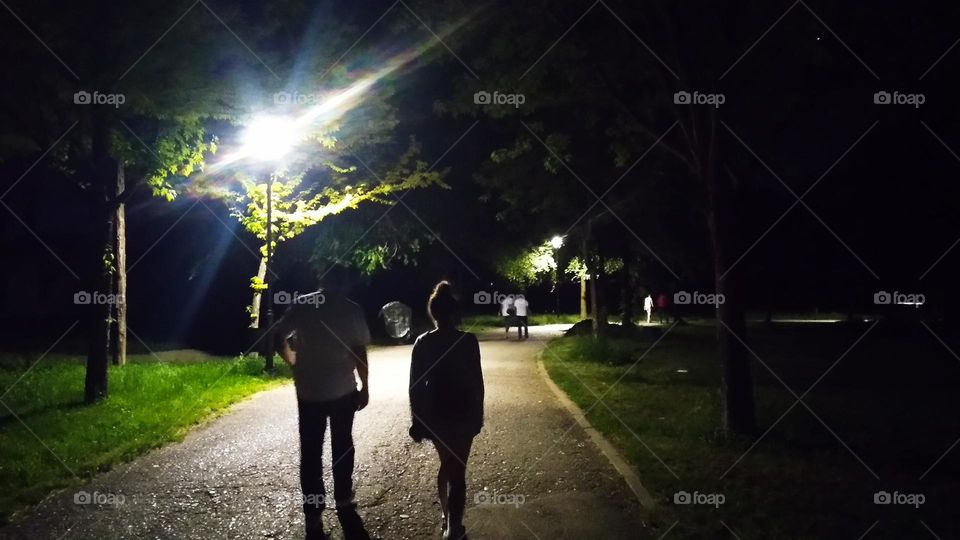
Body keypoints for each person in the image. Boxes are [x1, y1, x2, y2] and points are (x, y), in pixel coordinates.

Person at [276, 272, 371, 540]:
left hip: (308, 391)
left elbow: (278, 336)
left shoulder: (302, 304)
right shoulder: (351, 309)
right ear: (342, 283)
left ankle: (313, 516)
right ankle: (343, 499)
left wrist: (293, 362)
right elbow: (359, 351)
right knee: (342, 445)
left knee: (311, 451)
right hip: (342, 389)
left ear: (320, 282)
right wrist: (365, 386)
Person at [409, 282, 484, 540]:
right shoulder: (468, 341)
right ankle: (454, 527)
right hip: (463, 411)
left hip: (436, 413)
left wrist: (416, 419)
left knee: (447, 464)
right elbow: (477, 382)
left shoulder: (423, 343)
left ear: (433, 313)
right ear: (454, 312)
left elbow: (415, 386)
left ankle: (447, 516)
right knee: (457, 470)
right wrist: (478, 415)